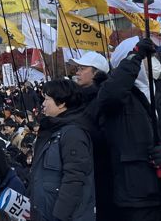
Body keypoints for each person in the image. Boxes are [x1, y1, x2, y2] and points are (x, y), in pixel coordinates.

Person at [97, 37, 161, 221]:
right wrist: (134, 57)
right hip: (139, 200)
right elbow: (110, 95)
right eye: (146, 56)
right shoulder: (116, 98)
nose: (152, 61)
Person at [28, 79, 93, 221]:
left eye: (47, 99)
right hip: (45, 212)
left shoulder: (73, 133)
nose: (43, 104)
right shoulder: (54, 129)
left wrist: (60, 215)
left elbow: (74, 178)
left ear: (62, 103)